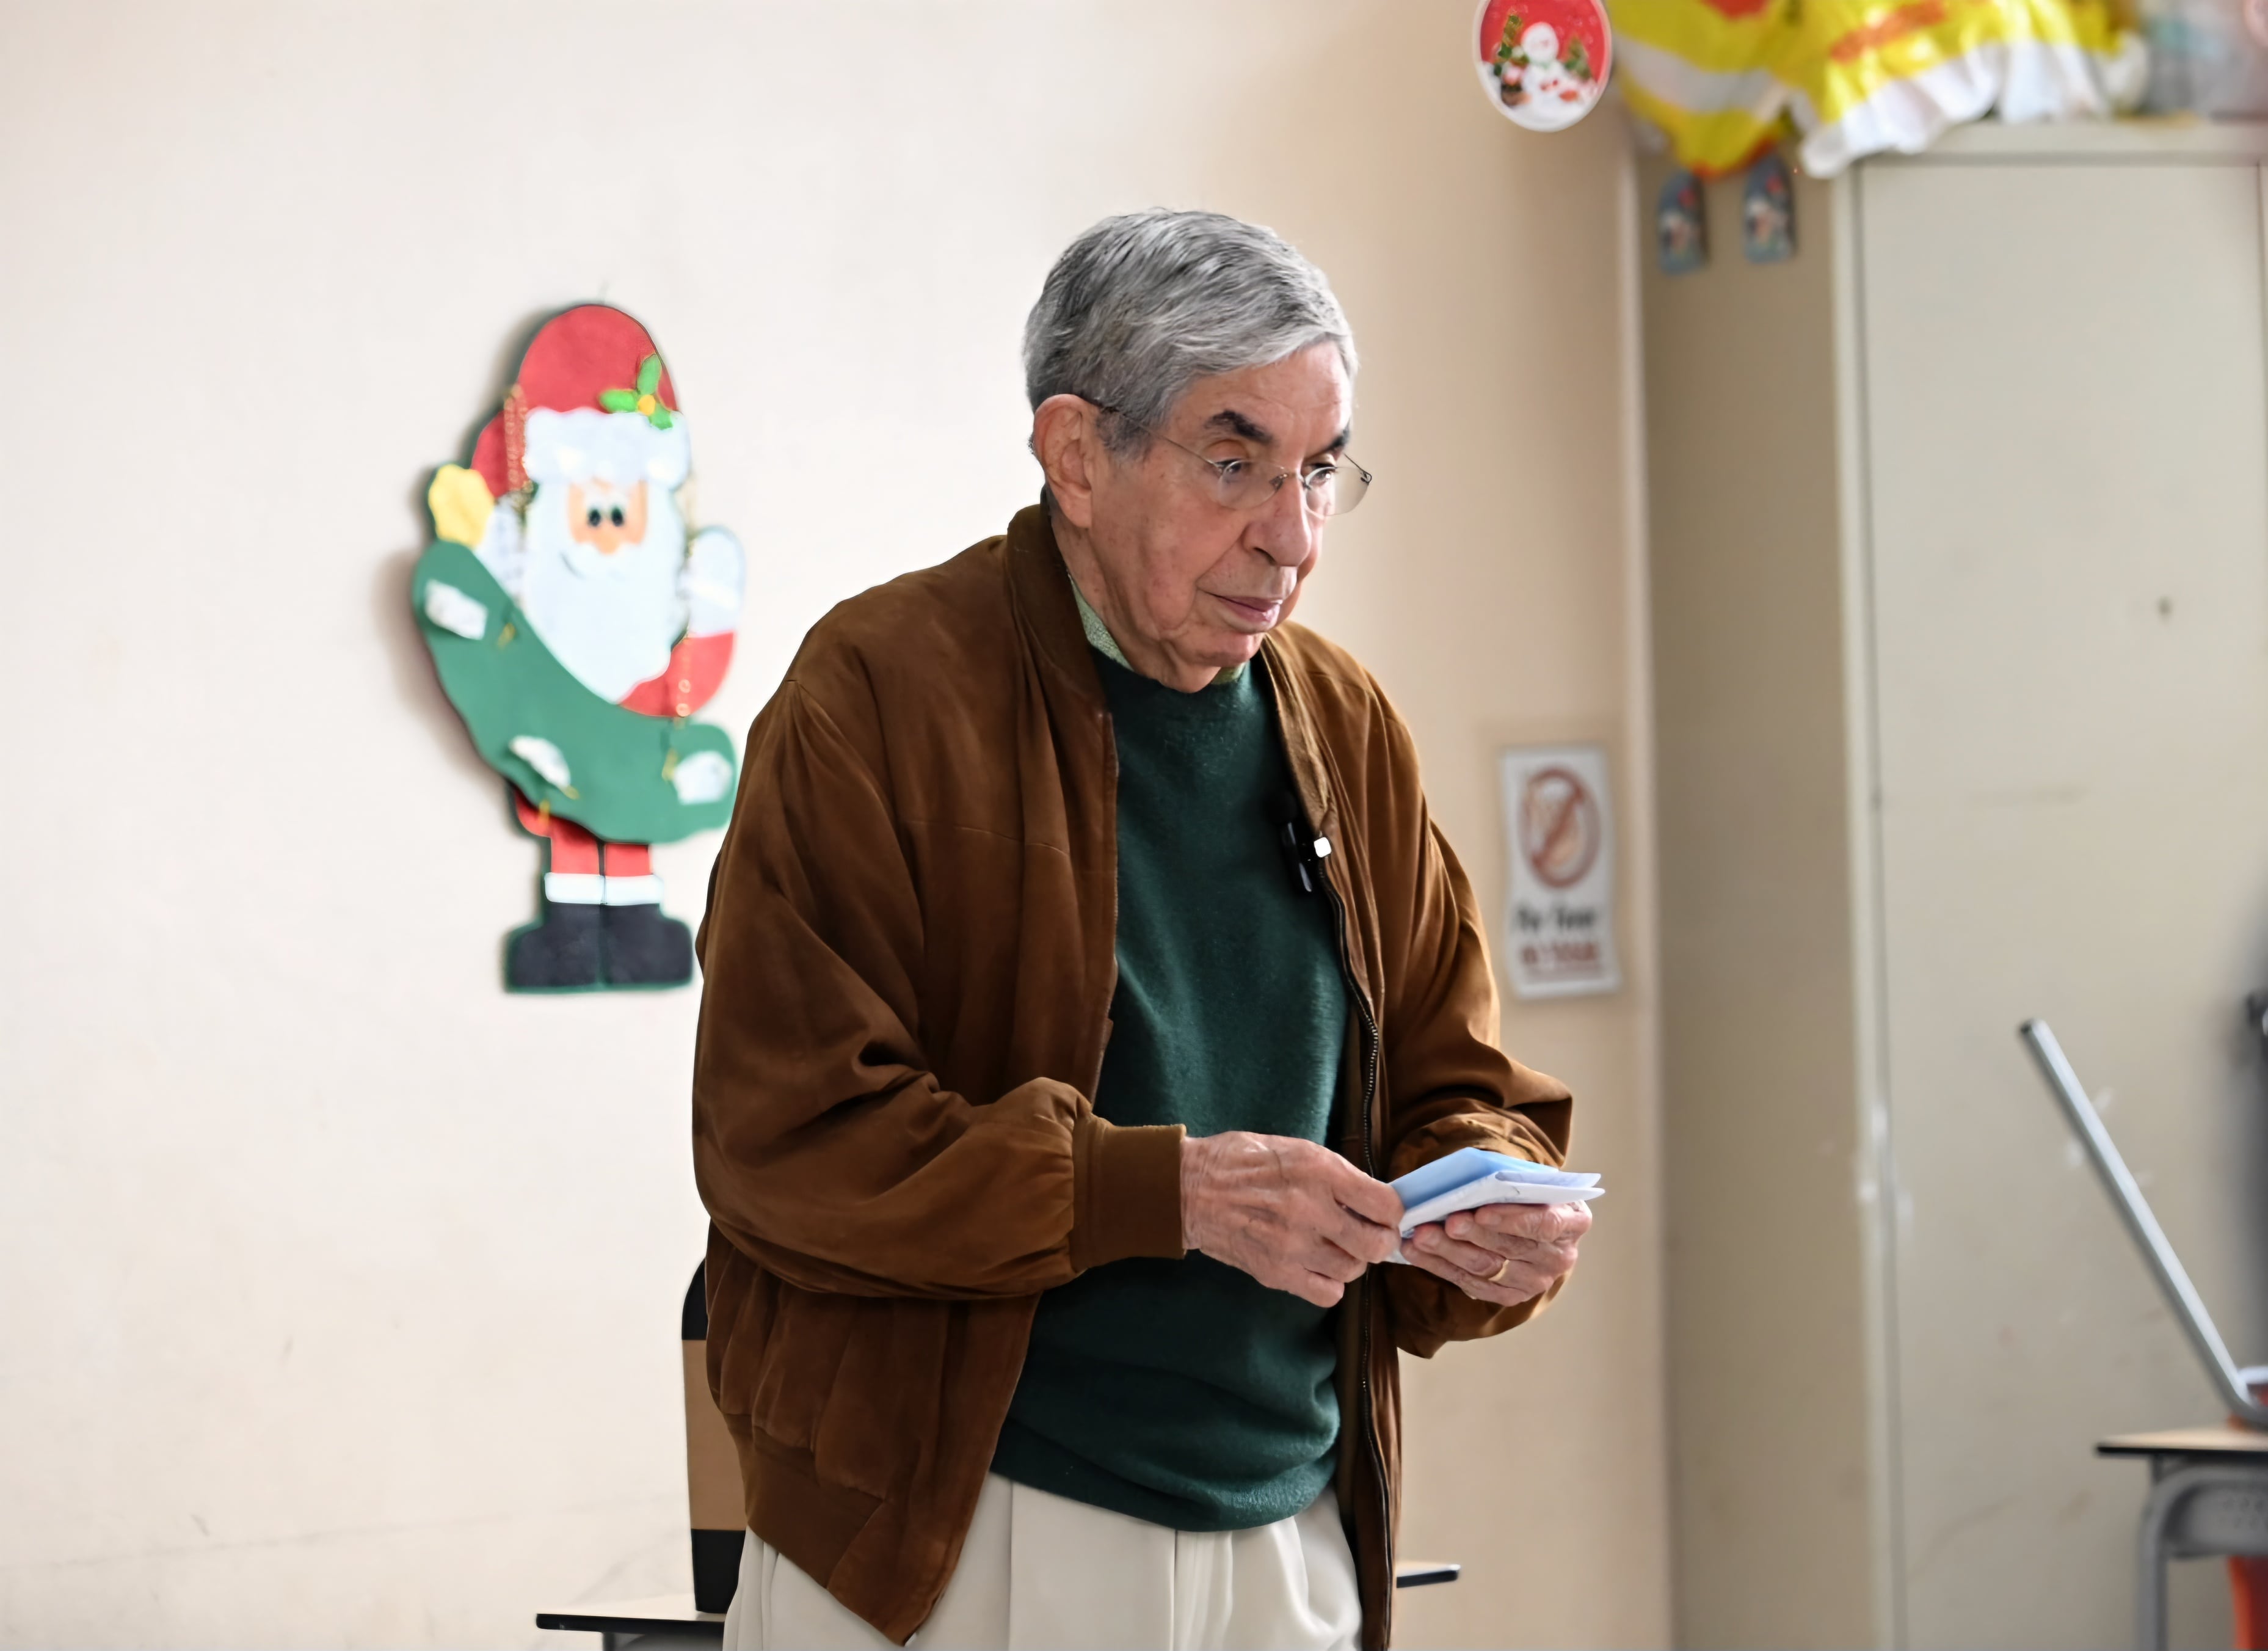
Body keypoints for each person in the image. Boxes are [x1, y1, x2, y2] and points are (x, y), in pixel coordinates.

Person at [692, 210, 1588, 1651]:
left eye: (1319, 470)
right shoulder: (878, 693)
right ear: (1075, 455)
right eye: (1234, 461)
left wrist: (1485, 1208)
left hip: (1288, 1535)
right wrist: (1159, 1192)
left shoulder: (1345, 725)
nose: (1292, 535)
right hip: (950, 1535)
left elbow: (1457, 1080)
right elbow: (785, 1140)